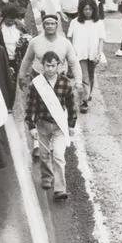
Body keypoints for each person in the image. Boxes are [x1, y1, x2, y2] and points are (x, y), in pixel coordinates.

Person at [24, 52, 77, 201]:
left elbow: (72, 106)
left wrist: (71, 124)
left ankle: (60, 189)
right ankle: (47, 177)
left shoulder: (65, 83)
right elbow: (31, 106)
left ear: (58, 66)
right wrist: (31, 126)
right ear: (43, 66)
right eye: (47, 65)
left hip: (59, 125)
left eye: (53, 65)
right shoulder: (37, 83)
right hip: (42, 124)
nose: (50, 69)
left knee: (59, 156)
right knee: (44, 154)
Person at [66, 0, 105, 113]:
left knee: (91, 76)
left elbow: (101, 39)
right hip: (80, 54)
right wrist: (72, 51)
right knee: (84, 77)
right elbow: (69, 37)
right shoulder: (75, 22)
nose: (87, 11)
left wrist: (99, 53)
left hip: (93, 54)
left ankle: (87, 94)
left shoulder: (99, 23)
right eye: (85, 9)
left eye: (90, 9)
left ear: (94, 10)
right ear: (81, 10)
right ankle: (84, 102)